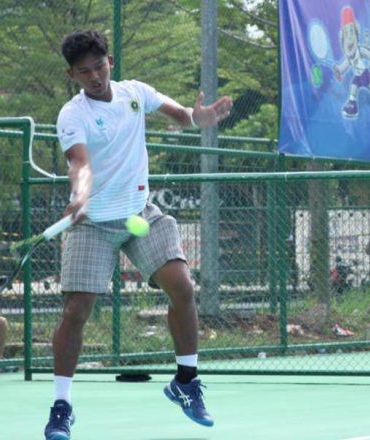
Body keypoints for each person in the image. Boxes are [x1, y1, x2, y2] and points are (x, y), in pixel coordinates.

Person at [44, 30, 233, 440]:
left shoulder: (135, 93)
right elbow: (80, 162)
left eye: (99, 66)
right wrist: (79, 194)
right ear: (71, 74)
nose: (95, 76)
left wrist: (199, 117)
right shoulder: (72, 114)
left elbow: (181, 115)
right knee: (76, 312)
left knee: (182, 286)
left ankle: (185, 380)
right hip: (92, 221)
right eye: (84, 71)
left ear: (110, 60)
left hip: (138, 213)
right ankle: (61, 406)